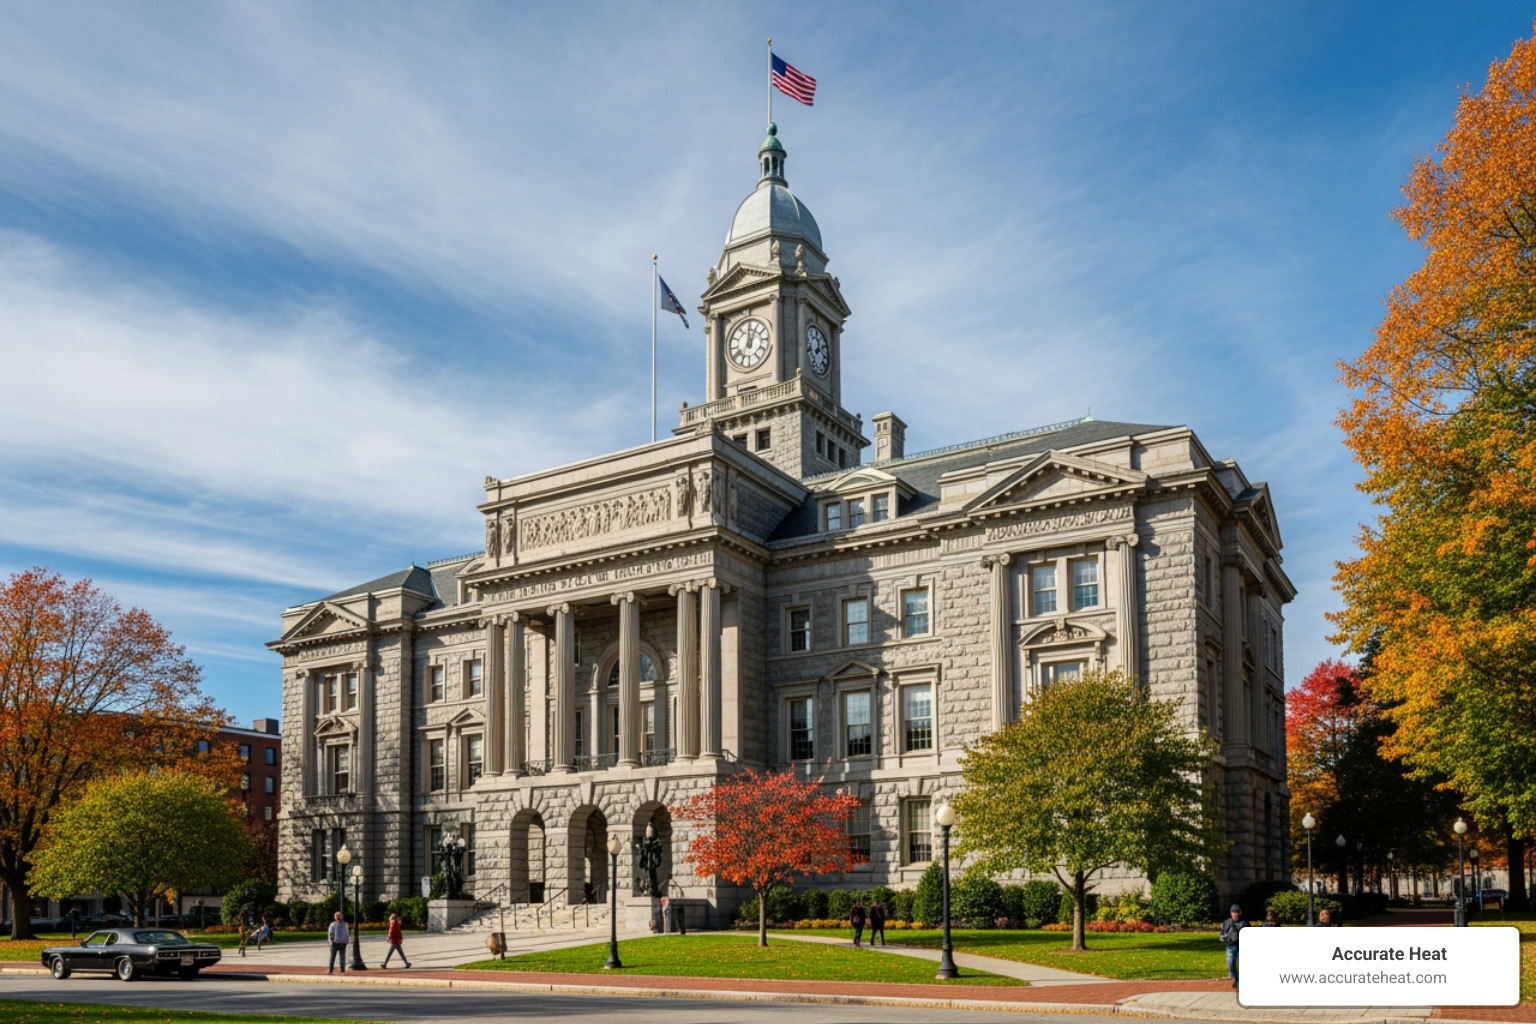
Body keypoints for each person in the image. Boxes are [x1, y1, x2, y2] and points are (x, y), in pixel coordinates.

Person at [1219, 903, 1246, 988]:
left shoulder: (1244, 923)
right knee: (1230, 964)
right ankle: (1235, 978)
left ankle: (1240, 983)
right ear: (1231, 913)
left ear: (1240, 913)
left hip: (1241, 947)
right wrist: (1224, 939)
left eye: (1237, 912)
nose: (1235, 914)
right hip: (1230, 946)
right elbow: (1221, 934)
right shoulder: (1226, 923)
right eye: (1233, 912)